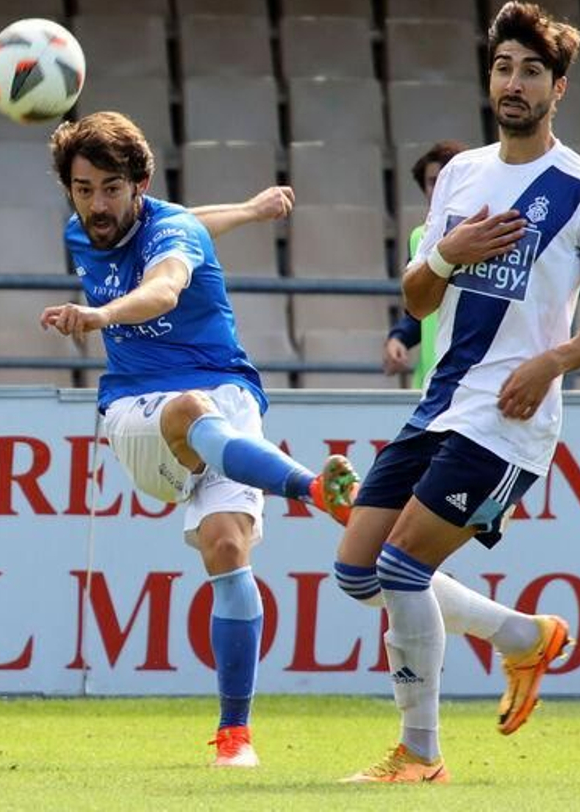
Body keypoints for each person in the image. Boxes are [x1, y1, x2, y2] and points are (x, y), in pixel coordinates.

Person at [335, 1, 580, 784]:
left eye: (532, 71)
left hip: (510, 419)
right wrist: (448, 253)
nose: (514, 83)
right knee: (357, 572)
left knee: (402, 568)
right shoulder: (462, 175)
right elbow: (417, 301)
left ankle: (420, 754)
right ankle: (521, 637)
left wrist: (548, 365)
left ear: (557, 88)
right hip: (442, 401)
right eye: (504, 67)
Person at [39, 111, 359, 769]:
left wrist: (100, 314)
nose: (96, 206)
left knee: (227, 548)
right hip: (136, 409)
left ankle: (234, 735)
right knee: (189, 409)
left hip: (228, 394)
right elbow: (196, 223)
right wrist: (248, 210)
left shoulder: (171, 232)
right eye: (83, 189)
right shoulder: (87, 230)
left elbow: (165, 287)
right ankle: (313, 490)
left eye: (110, 189)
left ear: (141, 185)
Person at [382, 141, 468, 388]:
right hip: (429, 384)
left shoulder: (488, 235)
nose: (440, 188)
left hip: (472, 385)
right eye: (432, 182)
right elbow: (421, 306)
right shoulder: (418, 238)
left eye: (448, 179)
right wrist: (399, 337)